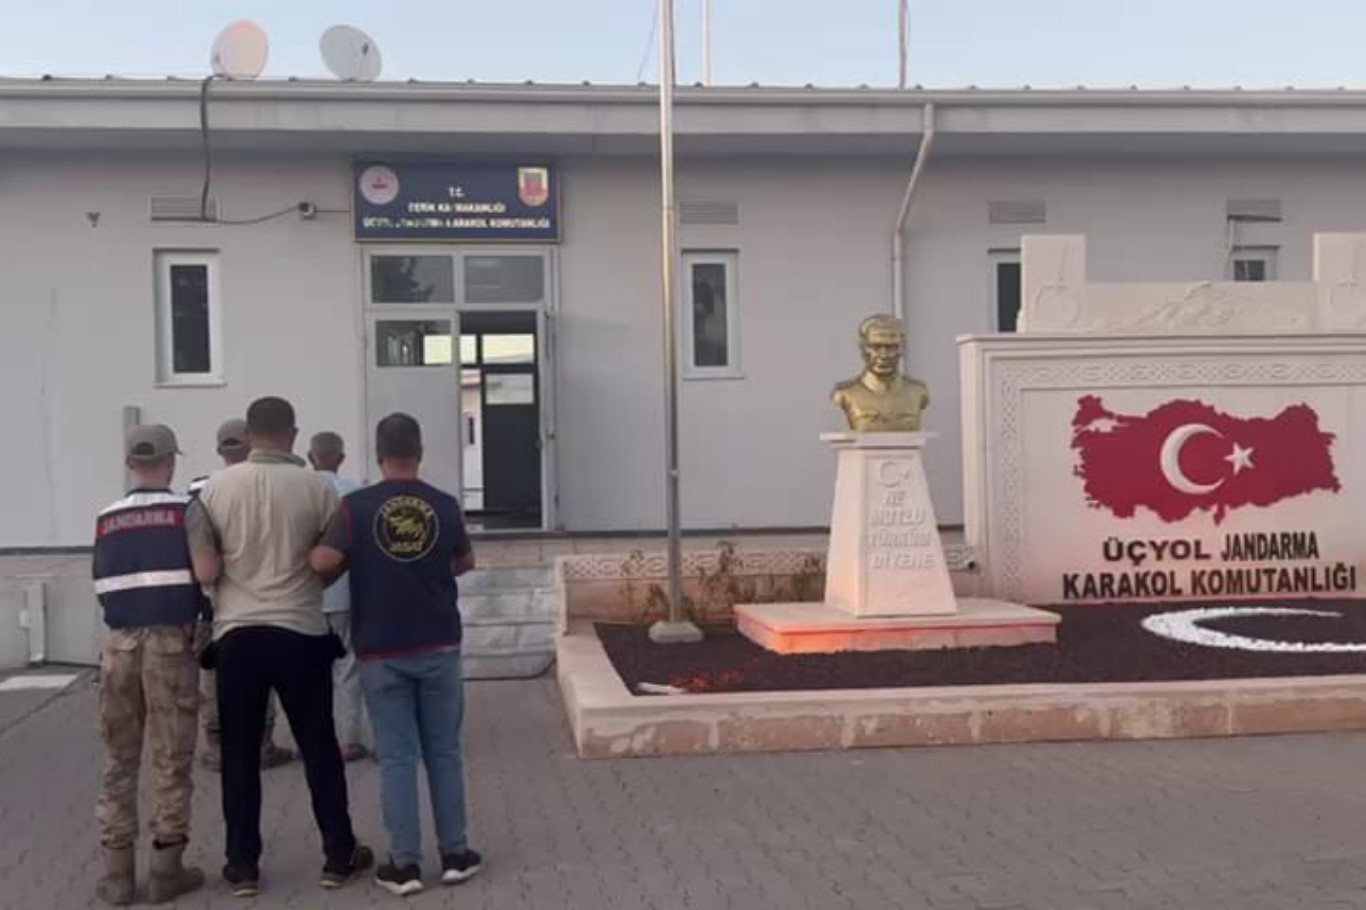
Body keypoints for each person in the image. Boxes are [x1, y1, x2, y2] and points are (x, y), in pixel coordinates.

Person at [186, 397, 372, 897]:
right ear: (293, 434)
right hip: (301, 633)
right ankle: (339, 854)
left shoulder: (211, 490)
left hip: (238, 639)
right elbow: (328, 561)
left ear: (248, 435)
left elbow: (205, 571)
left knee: (240, 755)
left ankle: (242, 866)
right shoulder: (320, 489)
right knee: (319, 748)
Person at [311, 413, 482, 897]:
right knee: (444, 752)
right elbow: (466, 560)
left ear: (379, 453)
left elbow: (323, 562)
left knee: (398, 757)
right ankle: (455, 854)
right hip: (440, 644)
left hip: (381, 649)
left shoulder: (355, 508)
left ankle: (404, 865)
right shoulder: (445, 505)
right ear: (419, 452)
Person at [91, 424, 205, 905]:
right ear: (171, 461)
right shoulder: (186, 511)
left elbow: (103, 583)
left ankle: (117, 878)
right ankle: (165, 870)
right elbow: (205, 573)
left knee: (119, 759)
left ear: (129, 463)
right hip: (169, 645)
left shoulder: (105, 517)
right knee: (171, 757)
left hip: (117, 646)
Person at [189, 418, 294, 773]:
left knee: (213, 674)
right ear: (250, 444)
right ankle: (262, 745)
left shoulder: (199, 489)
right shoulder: (265, 484)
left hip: (211, 602)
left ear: (220, 450)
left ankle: (217, 747)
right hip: (258, 599)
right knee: (262, 676)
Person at [307, 431, 368, 762]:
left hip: (306, 595)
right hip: (344, 592)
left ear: (309, 456)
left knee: (312, 671)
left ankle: (316, 740)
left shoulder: (297, 490)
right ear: (341, 458)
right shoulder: (355, 493)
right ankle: (348, 740)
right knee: (347, 667)